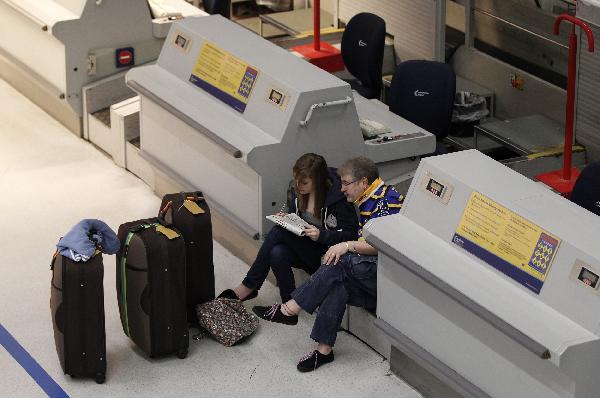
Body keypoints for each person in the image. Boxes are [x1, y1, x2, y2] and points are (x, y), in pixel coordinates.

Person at [252, 156, 403, 372]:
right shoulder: (367, 199)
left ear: (364, 182)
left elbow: (383, 247)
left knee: (341, 259)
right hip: (367, 273)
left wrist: (347, 246)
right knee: (337, 284)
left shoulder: (386, 201)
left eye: (346, 183)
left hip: (384, 279)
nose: (342, 189)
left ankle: (289, 309)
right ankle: (324, 350)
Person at [218, 153, 358, 303]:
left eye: (303, 182)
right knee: (277, 252)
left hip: (325, 254)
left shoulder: (339, 200)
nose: (298, 185)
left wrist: (321, 235)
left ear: (317, 181)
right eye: (296, 180)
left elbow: (351, 235)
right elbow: (294, 214)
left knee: (278, 232)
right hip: (304, 246)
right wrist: (287, 217)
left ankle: (249, 286)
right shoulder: (297, 189)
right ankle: (289, 302)